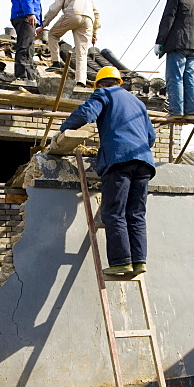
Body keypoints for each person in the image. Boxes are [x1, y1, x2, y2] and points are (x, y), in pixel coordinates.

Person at [58, 66, 156, 277]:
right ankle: (139, 262)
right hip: (145, 162)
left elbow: (87, 113)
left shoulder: (104, 94)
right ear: (118, 82)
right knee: (136, 214)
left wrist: (63, 129)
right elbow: (151, 137)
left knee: (114, 212)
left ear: (101, 84)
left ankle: (121, 262)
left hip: (119, 160)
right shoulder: (138, 103)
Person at [154, 0, 194, 119]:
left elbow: (167, 20)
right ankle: (193, 111)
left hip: (177, 44)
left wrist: (159, 42)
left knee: (175, 77)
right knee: (189, 76)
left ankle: (176, 111)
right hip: (193, 45)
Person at [40, 0, 101, 88]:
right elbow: (96, 14)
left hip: (73, 14)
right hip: (88, 20)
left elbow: (55, 8)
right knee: (82, 52)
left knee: (52, 34)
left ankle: (56, 62)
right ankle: (81, 81)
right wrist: (94, 34)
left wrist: (43, 24)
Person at [10, 0, 50, 82]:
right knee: (25, 46)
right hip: (24, 15)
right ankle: (22, 76)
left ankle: (29, 75)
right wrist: (30, 13)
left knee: (29, 47)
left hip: (25, 15)